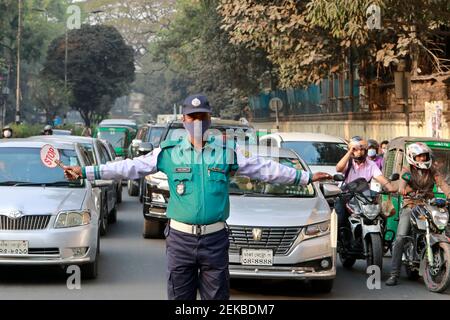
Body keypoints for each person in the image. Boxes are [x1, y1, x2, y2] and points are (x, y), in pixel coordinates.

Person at [62, 94, 332, 300]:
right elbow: (128, 167)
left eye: (203, 117)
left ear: (210, 119)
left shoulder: (227, 151)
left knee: (216, 299)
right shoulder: (167, 153)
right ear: (184, 121)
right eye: (192, 117)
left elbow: (264, 169)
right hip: (180, 239)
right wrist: (85, 171)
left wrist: (305, 177)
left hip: (215, 239)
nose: (198, 123)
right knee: (181, 298)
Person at [386, 142, 450, 286]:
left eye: (424, 156)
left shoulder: (432, 170)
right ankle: (394, 274)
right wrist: (403, 189)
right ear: (412, 157)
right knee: (401, 237)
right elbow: (403, 182)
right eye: (419, 156)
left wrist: (449, 194)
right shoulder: (407, 169)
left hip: (428, 204)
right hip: (411, 204)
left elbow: (442, 183)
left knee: (444, 228)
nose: (422, 159)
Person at [335, 136, 396, 238]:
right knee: (340, 218)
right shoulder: (349, 162)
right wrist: (350, 152)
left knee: (381, 215)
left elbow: (380, 177)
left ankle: (382, 239)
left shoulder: (371, 164)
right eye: (356, 150)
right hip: (347, 195)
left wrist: (390, 187)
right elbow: (338, 168)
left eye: (362, 149)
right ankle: (341, 242)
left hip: (364, 196)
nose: (359, 152)